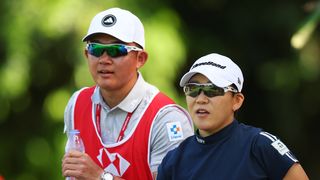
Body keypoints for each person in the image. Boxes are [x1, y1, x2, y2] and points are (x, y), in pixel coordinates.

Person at [61, 7, 194, 180]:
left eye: (116, 50)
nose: (104, 60)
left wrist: (101, 177)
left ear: (140, 59)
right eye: (96, 49)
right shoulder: (76, 103)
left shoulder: (167, 119)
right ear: (86, 54)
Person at [157, 53, 309, 180]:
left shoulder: (260, 145)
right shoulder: (173, 160)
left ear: (236, 101)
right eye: (193, 89)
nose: (200, 99)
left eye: (213, 89)